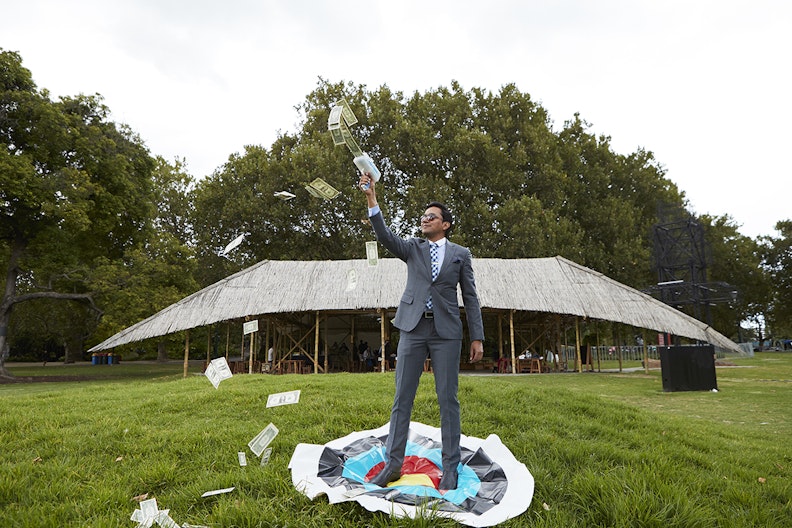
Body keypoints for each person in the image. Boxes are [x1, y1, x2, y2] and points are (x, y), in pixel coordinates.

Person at [358, 172, 484, 492]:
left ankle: (451, 467)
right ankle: (393, 464)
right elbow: (385, 236)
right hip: (412, 328)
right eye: (423, 216)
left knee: (448, 399)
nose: (425, 220)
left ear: (446, 224)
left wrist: (477, 336)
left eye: (432, 216)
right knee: (402, 397)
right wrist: (372, 198)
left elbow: (470, 296)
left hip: (446, 332)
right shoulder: (412, 247)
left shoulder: (460, 254)